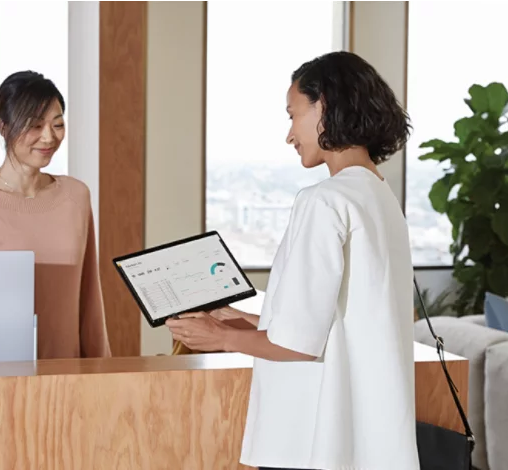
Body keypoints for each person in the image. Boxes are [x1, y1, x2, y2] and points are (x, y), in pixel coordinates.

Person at [166, 51, 419, 470]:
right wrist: (240, 319)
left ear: (326, 108)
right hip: (370, 437)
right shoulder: (378, 195)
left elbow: (297, 345)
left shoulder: (325, 201)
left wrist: (219, 336)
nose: (289, 134)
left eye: (292, 114)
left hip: (315, 442)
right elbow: (339, 320)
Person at [0, 70, 111, 360]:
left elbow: (89, 300)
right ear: (2, 126)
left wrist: (102, 374)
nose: (49, 137)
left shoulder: (76, 197)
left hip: (70, 380)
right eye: (35, 125)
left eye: (57, 124)